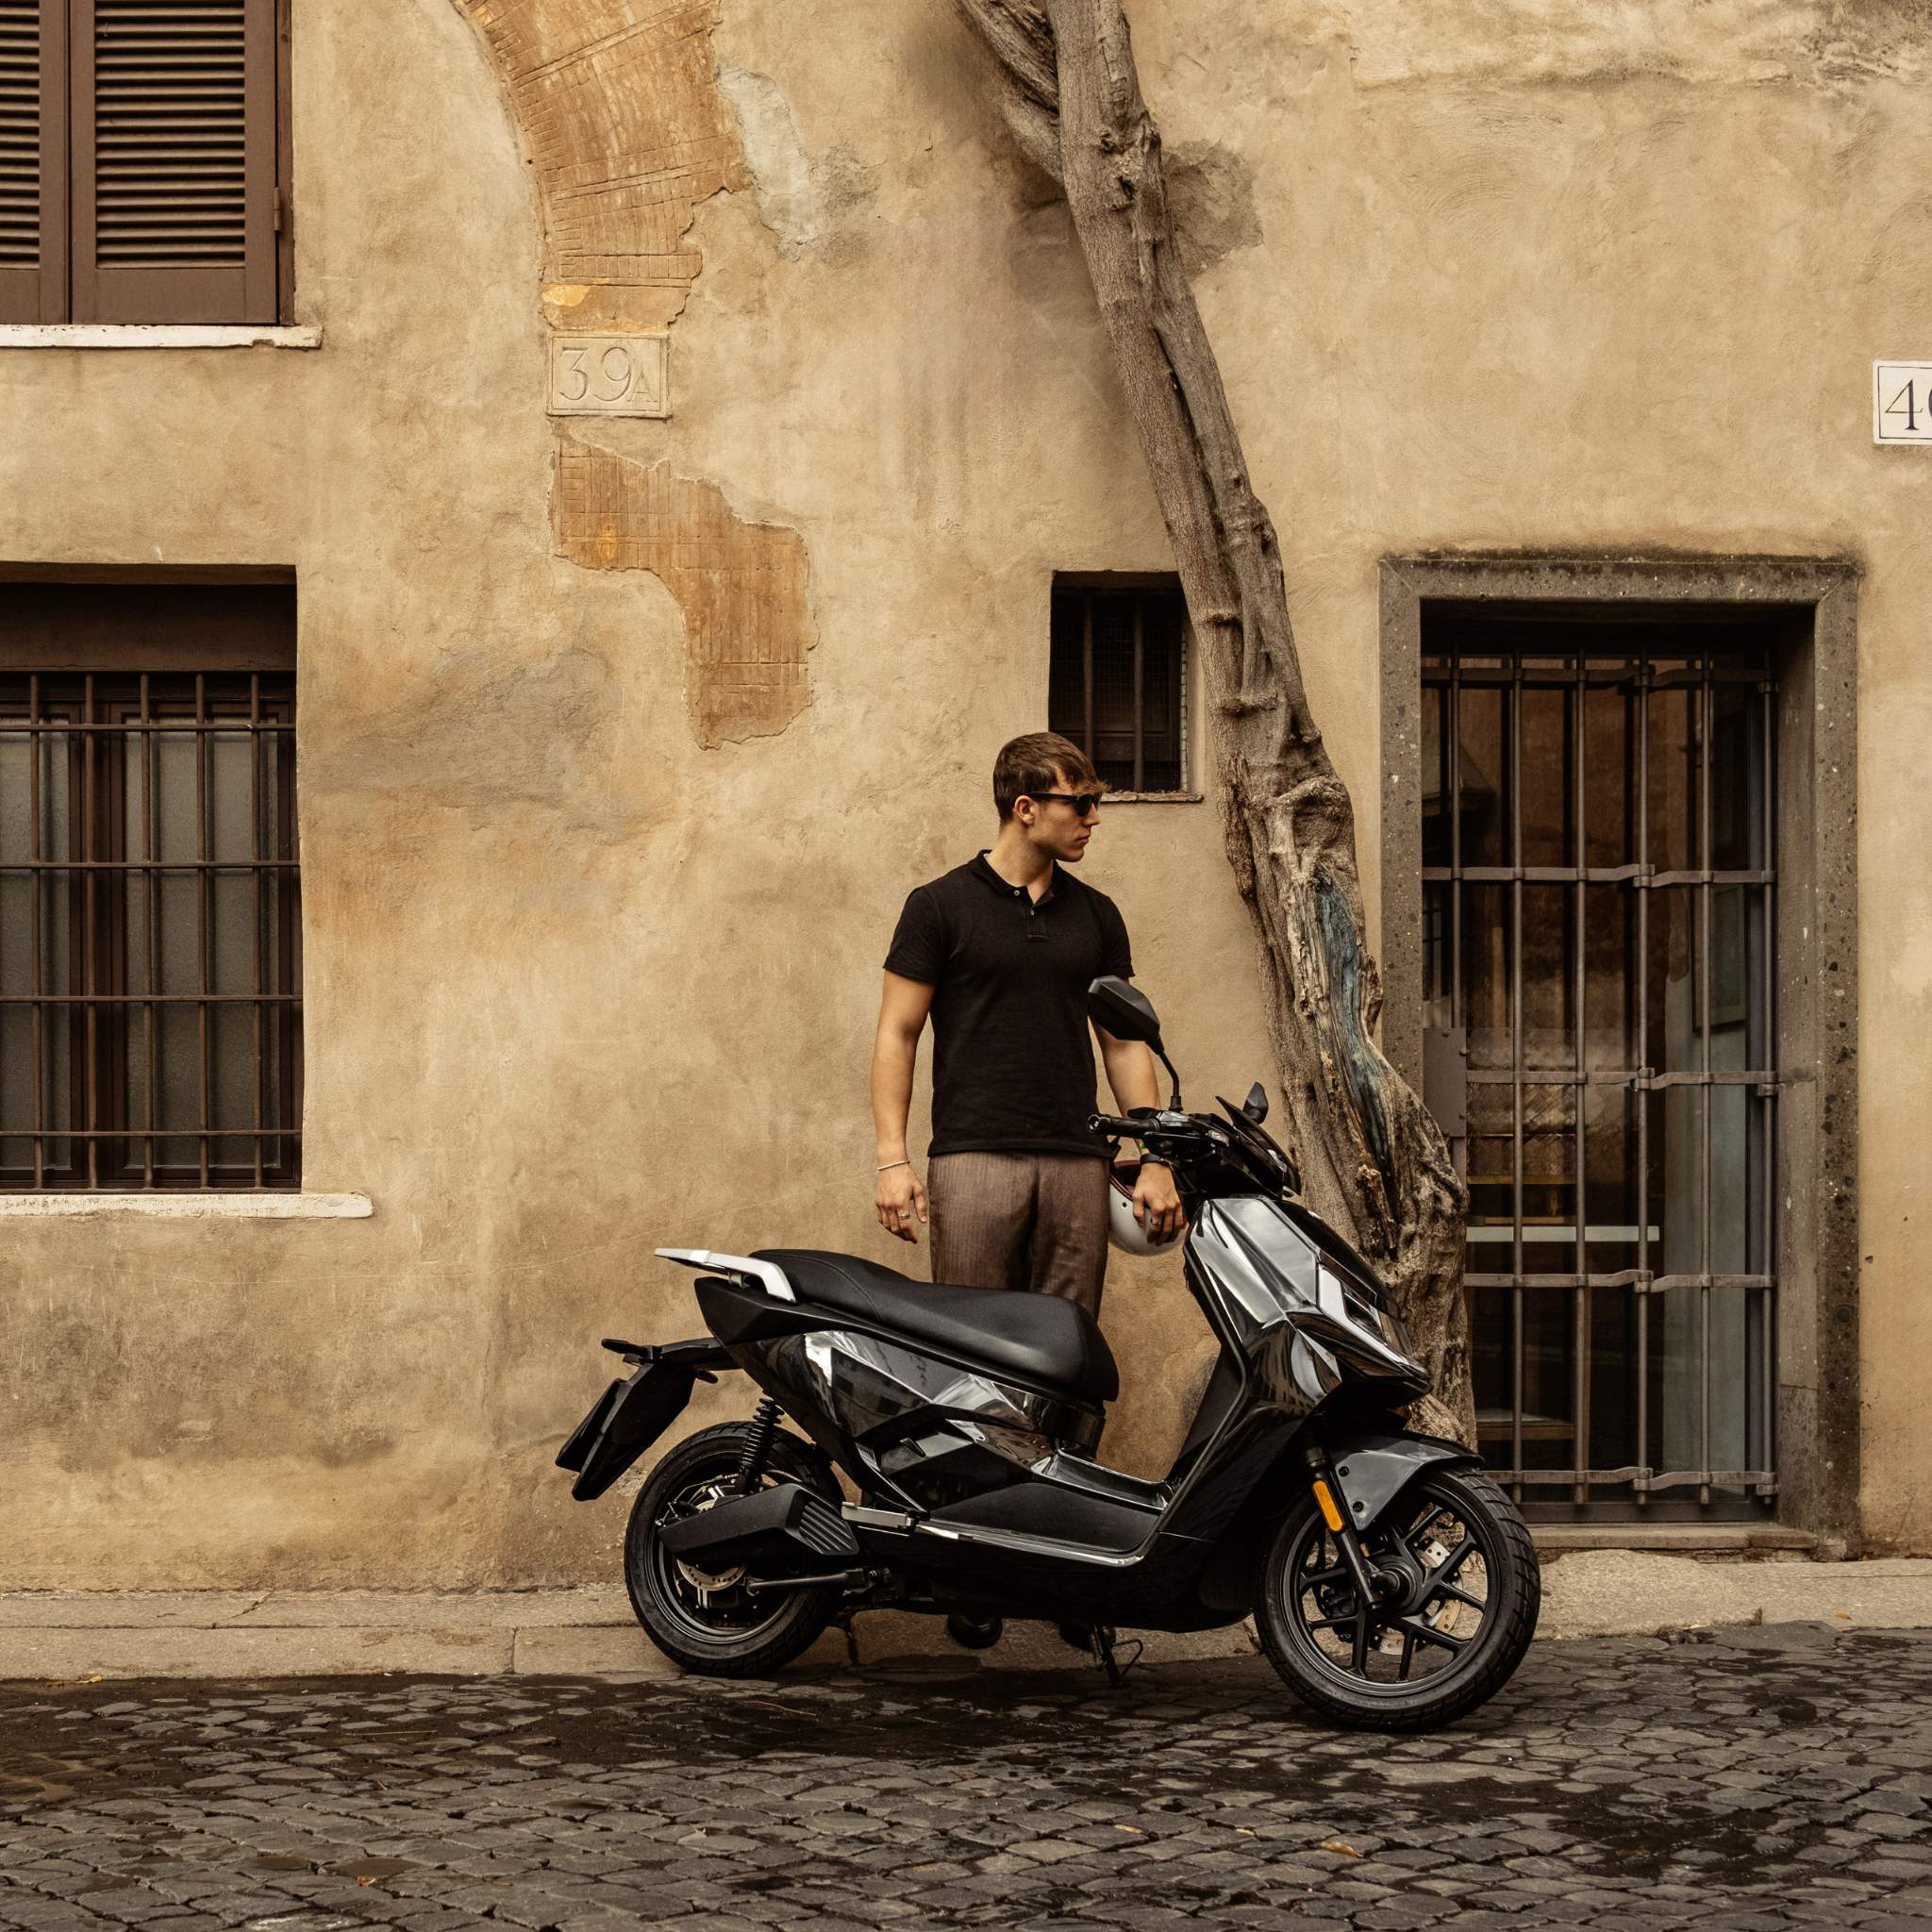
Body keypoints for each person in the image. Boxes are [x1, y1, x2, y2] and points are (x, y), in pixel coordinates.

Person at [870, 731, 1184, 1316]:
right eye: (1080, 803)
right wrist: (893, 1160)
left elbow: (1123, 1044)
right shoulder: (938, 906)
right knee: (972, 1342)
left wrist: (1156, 1157)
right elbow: (898, 1034)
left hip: (1078, 1159)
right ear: (1025, 808)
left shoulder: (1098, 914)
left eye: (1096, 803)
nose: (1093, 818)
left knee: (1070, 1340)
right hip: (973, 1157)